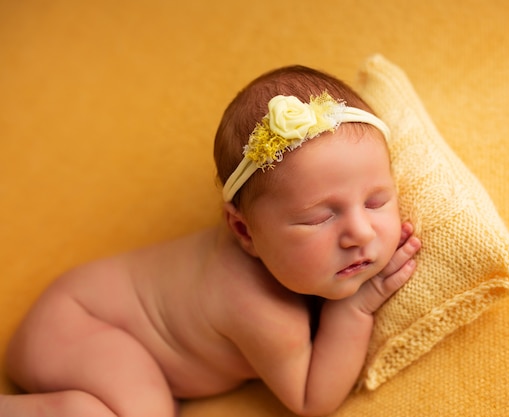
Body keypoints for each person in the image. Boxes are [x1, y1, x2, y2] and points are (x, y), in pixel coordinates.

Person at [0, 65, 421, 417]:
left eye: (376, 201)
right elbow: (313, 398)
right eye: (320, 218)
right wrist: (356, 307)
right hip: (76, 325)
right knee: (144, 409)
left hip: (85, 315)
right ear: (243, 231)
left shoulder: (288, 258)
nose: (361, 233)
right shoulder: (260, 308)